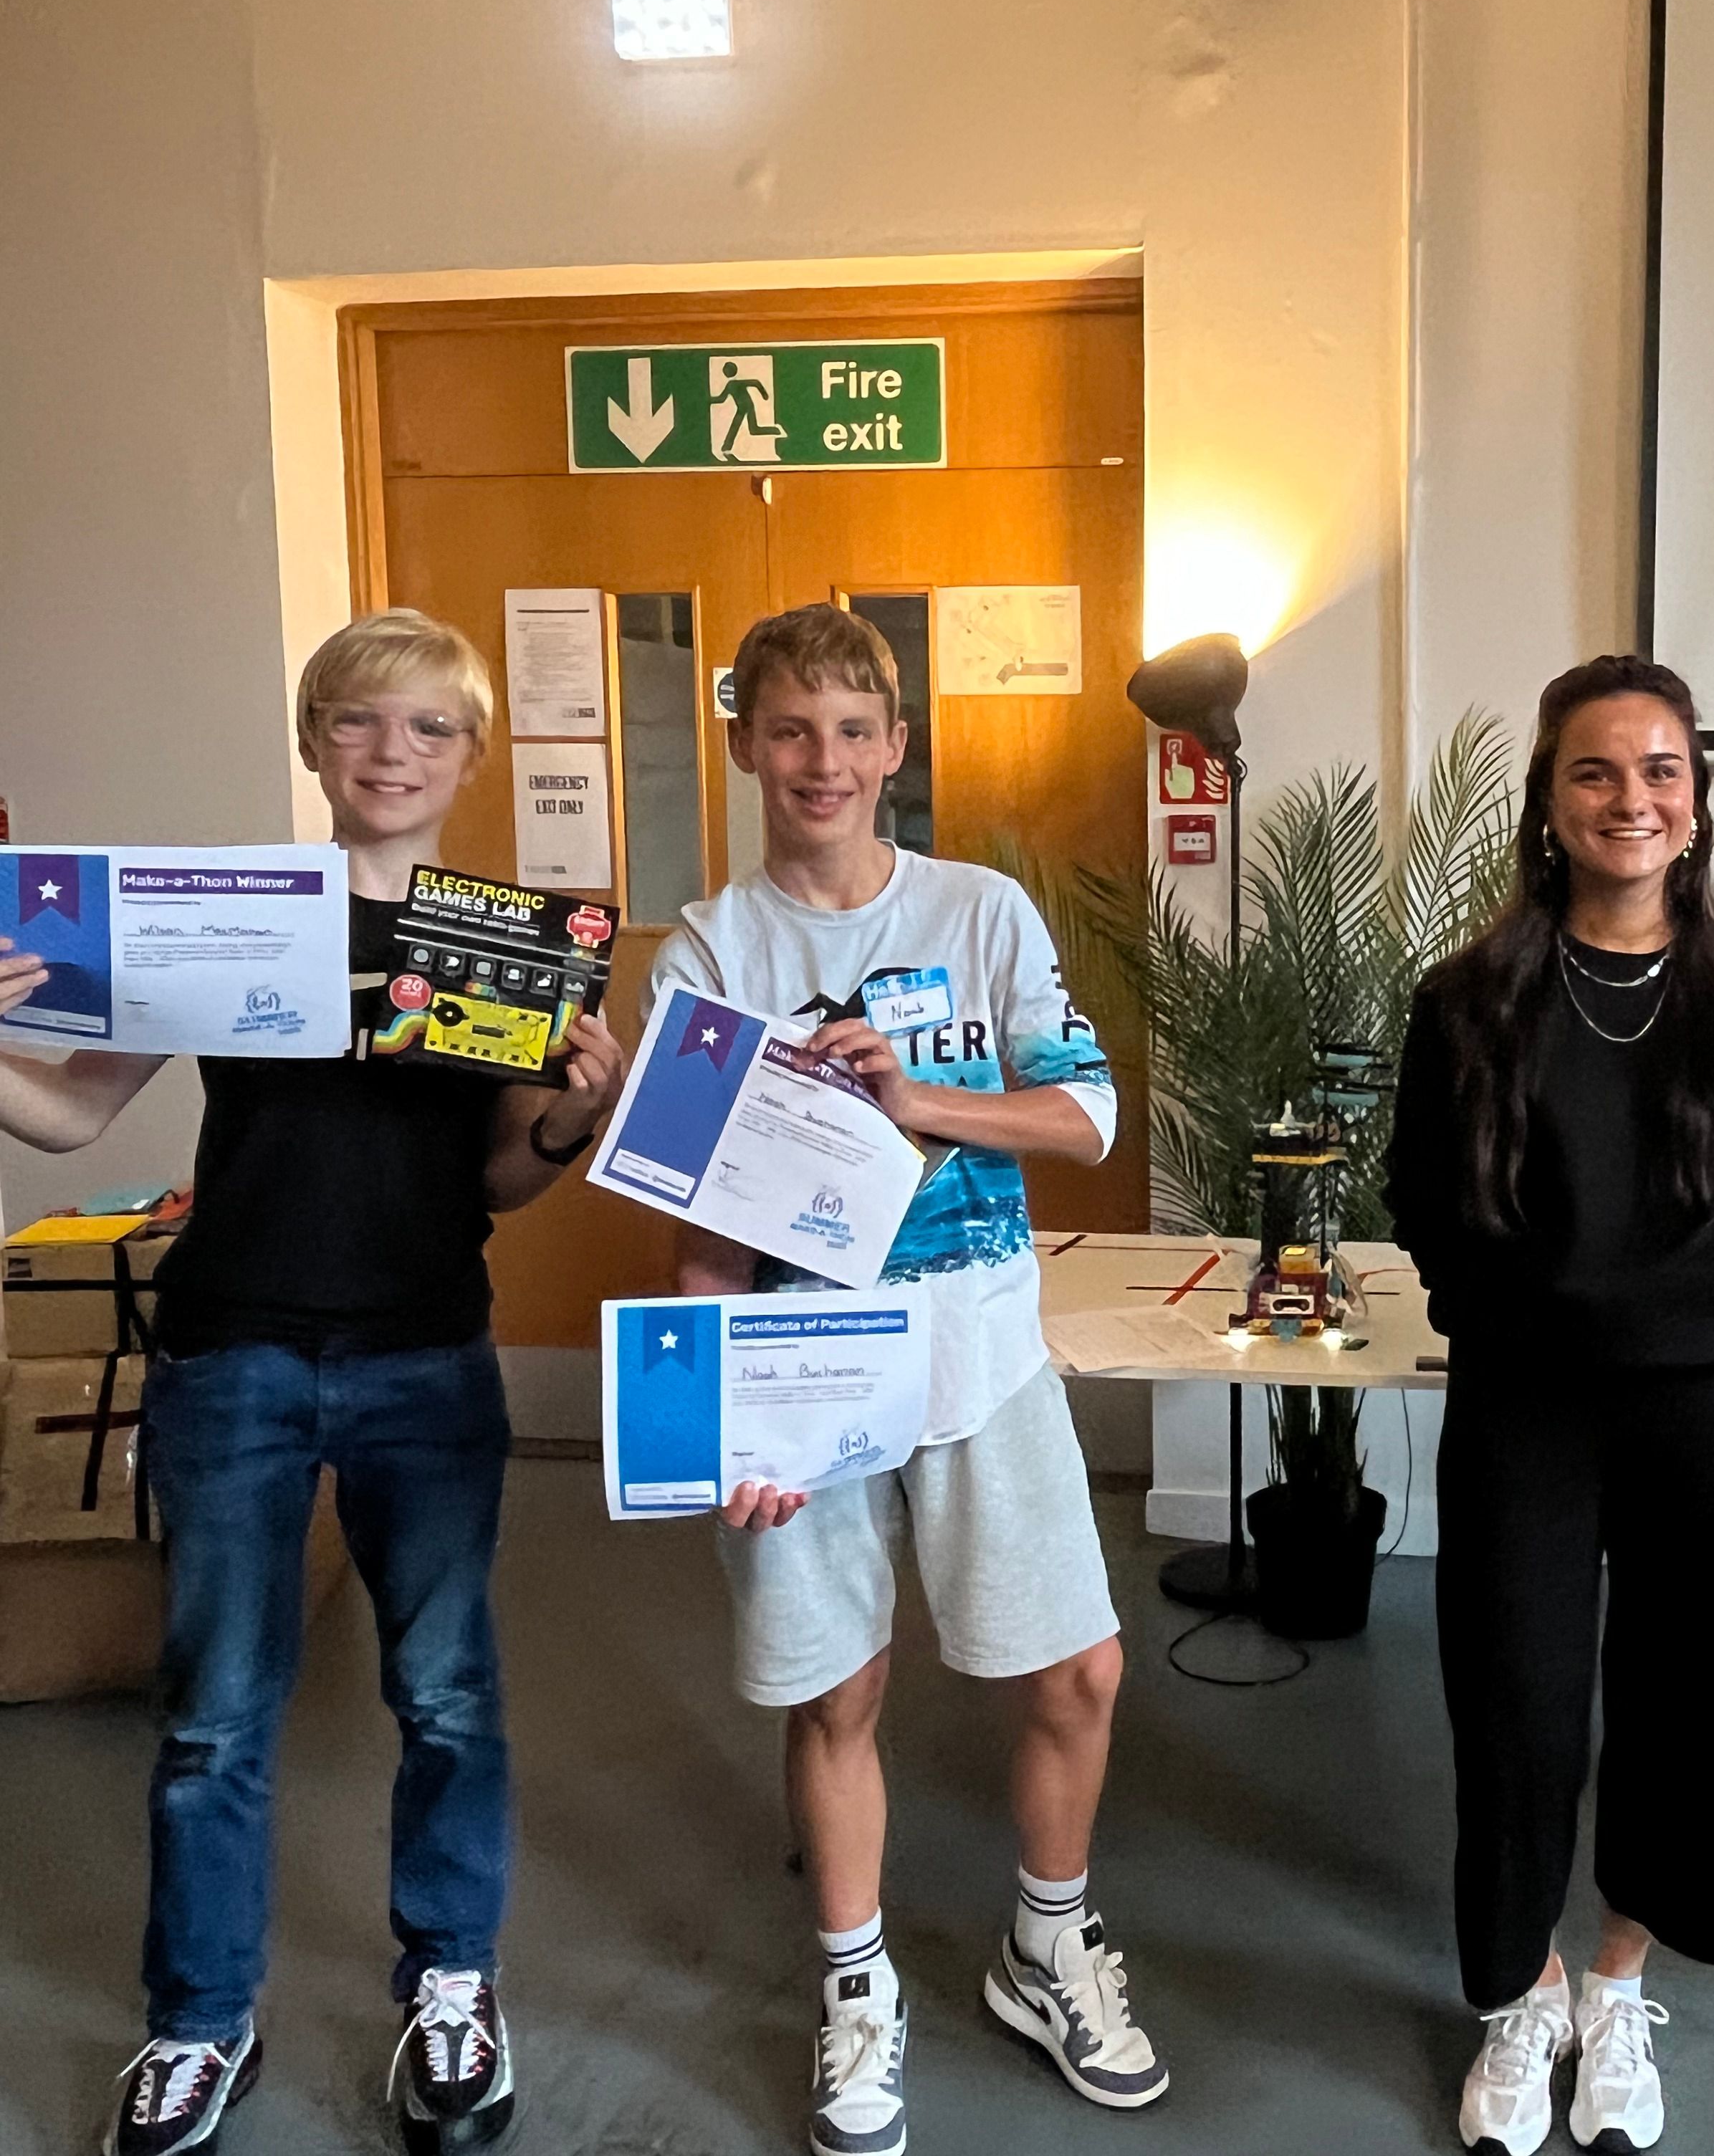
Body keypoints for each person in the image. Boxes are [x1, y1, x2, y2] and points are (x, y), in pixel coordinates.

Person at [0, 609, 630, 2156]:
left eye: (429, 730)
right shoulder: (234, 912)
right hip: (233, 1355)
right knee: (215, 1715)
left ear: (471, 757)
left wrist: (568, 1121)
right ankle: (201, 2026)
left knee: (450, 1697)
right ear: (313, 741)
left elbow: (497, 1179)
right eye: (359, 722)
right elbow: (74, 1122)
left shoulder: (506, 940)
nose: (392, 754)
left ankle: (455, 1988)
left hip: (428, 1351)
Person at [653, 603, 1162, 2156]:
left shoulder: (980, 913)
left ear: (894, 748)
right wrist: (720, 1417)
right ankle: (858, 1984)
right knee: (838, 1690)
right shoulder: (713, 948)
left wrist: (925, 1095)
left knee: (1078, 1673)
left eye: (853, 731)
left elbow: (1087, 1118)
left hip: (982, 1344)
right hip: (807, 1370)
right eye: (791, 730)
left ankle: (1045, 1942)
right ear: (747, 742)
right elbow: (699, 1214)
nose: (823, 761)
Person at [1384, 654, 1714, 2155]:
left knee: (1677, 1698)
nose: (1630, 799)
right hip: (1527, 1401)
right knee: (1515, 1704)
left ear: (1698, 797)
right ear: (1548, 800)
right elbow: (1423, 1196)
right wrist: (1501, 1311)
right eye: (1596, 771)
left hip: (1705, 1403)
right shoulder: (1467, 1000)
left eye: (1660, 770)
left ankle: (1616, 1985)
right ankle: (1519, 1997)